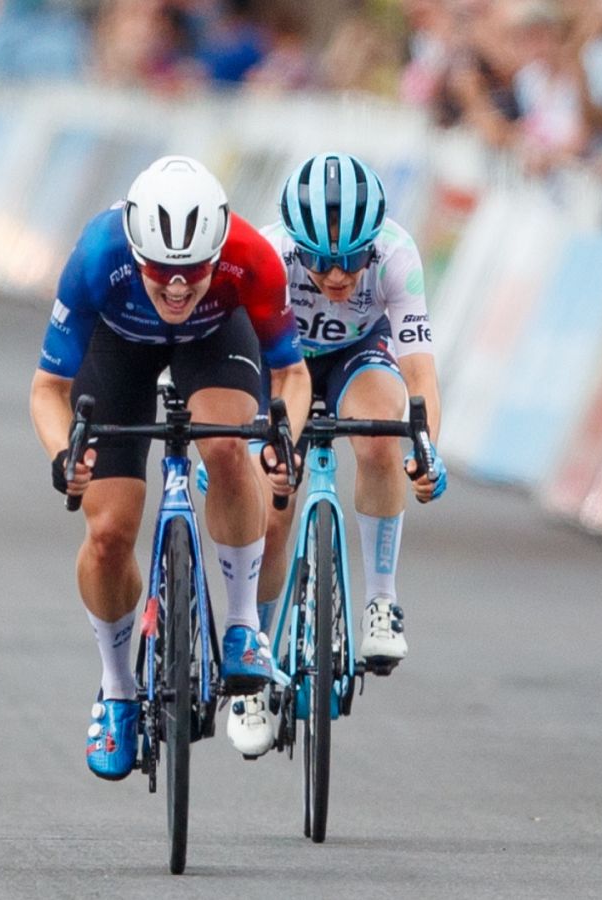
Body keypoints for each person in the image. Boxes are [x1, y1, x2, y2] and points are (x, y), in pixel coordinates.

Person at [30, 155, 311, 781]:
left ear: (218, 252)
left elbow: (292, 374)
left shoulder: (250, 256)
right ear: (136, 251)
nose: (179, 288)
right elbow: (47, 388)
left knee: (228, 447)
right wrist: (63, 457)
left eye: (193, 272)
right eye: (161, 273)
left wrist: (281, 439)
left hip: (217, 340)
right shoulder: (98, 255)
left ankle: (241, 625)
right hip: (119, 347)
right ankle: (118, 688)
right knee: (107, 535)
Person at [225, 152, 447, 758]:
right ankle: (253, 659)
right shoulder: (265, 257)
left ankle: (381, 601)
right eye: (321, 262)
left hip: (358, 354)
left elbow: (420, 373)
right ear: (297, 247)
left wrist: (425, 447)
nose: (337, 276)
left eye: (351, 260)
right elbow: (238, 368)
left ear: (371, 246)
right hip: (283, 363)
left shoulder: (398, 255)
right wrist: (234, 452)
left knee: (382, 432)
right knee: (273, 505)